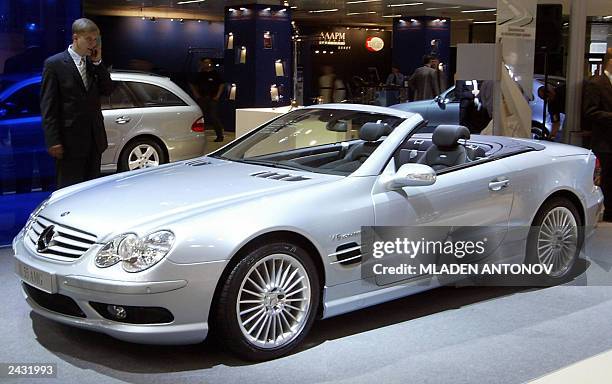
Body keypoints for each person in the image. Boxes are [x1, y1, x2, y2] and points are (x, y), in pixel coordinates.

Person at [40, 18, 113, 189]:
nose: (93, 44)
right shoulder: (54, 64)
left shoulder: (93, 62)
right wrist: (53, 140)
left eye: (96, 40)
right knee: (68, 189)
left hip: (95, 140)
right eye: (89, 39)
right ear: (75, 38)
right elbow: (48, 105)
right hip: (69, 142)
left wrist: (98, 63)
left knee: (91, 190)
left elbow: (108, 90)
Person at [583, 51, 612, 221]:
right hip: (604, 141)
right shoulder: (596, 84)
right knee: (605, 177)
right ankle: (605, 211)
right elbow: (590, 111)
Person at [189, 58, 225, 142]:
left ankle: (220, 135)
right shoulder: (200, 74)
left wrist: (218, 96)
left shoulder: (215, 74)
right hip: (202, 98)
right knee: (200, 117)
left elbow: (222, 84)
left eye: (208, 62)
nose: (206, 64)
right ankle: (199, 136)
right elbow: (192, 84)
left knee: (213, 116)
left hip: (212, 98)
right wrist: (196, 95)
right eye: (204, 62)